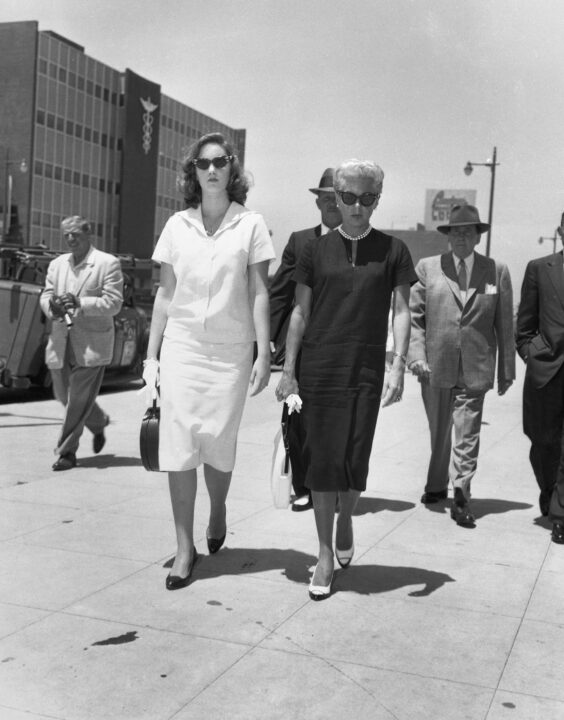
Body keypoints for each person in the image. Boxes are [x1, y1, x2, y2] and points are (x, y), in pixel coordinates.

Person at [275, 159, 416, 601]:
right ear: (336, 198)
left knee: (355, 458)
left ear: (377, 200)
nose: (357, 207)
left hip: (367, 368)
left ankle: (347, 518)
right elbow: (299, 312)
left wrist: (398, 366)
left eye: (367, 198)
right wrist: (289, 371)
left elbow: (401, 311)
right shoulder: (314, 251)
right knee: (321, 462)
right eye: (349, 198)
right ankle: (322, 554)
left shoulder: (394, 251)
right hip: (320, 368)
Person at [143, 132, 275, 591]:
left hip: (231, 351)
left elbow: (261, 292)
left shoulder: (251, 224)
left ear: (232, 169)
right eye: (203, 164)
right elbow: (164, 293)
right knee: (178, 448)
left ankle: (218, 509)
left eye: (220, 162)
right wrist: (151, 355)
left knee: (219, 444)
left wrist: (264, 351)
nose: (212, 170)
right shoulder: (177, 225)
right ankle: (184, 548)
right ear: (193, 172)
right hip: (183, 348)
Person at [409, 204, 515, 527]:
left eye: (468, 231)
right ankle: (437, 483)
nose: (461, 237)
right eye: (456, 231)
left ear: (478, 237)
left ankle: (461, 493)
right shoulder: (428, 268)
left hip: (475, 366)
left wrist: (506, 370)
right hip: (435, 367)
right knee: (439, 431)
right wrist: (416, 356)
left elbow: (504, 324)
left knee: (467, 433)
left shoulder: (496, 270)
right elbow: (415, 317)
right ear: (448, 236)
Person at [269, 168, 342, 512]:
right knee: (295, 420)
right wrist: (268, 341)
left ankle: (331, 486)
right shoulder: (300, 241)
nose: (331, 203)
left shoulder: (357, 244)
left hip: (340, 350)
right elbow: (280, 294)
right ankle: (303, 487)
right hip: (301, 352)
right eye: (325, 197)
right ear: (317, 201)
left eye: (337, 197)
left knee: (334, 423)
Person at [39, 216, 124, 470]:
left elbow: (114, 303)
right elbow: (45, 294)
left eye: (75, 234)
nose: (70, 239)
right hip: (60, 342)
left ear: (88, 235)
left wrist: (81, 304)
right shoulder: (56, 264)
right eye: (66, 234)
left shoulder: (108, 263)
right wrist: (51, 306)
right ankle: (98, 422)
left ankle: (67, 453)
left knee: (77, 399)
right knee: (65, 397)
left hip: (92, 345)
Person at [516, 211, 564, 543]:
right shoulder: (539, 268)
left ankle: (560, 513)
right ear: (561, 231)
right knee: (543, 442)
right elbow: (524, 327)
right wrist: (533, 354)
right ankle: (549, 492)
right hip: (547, 370)